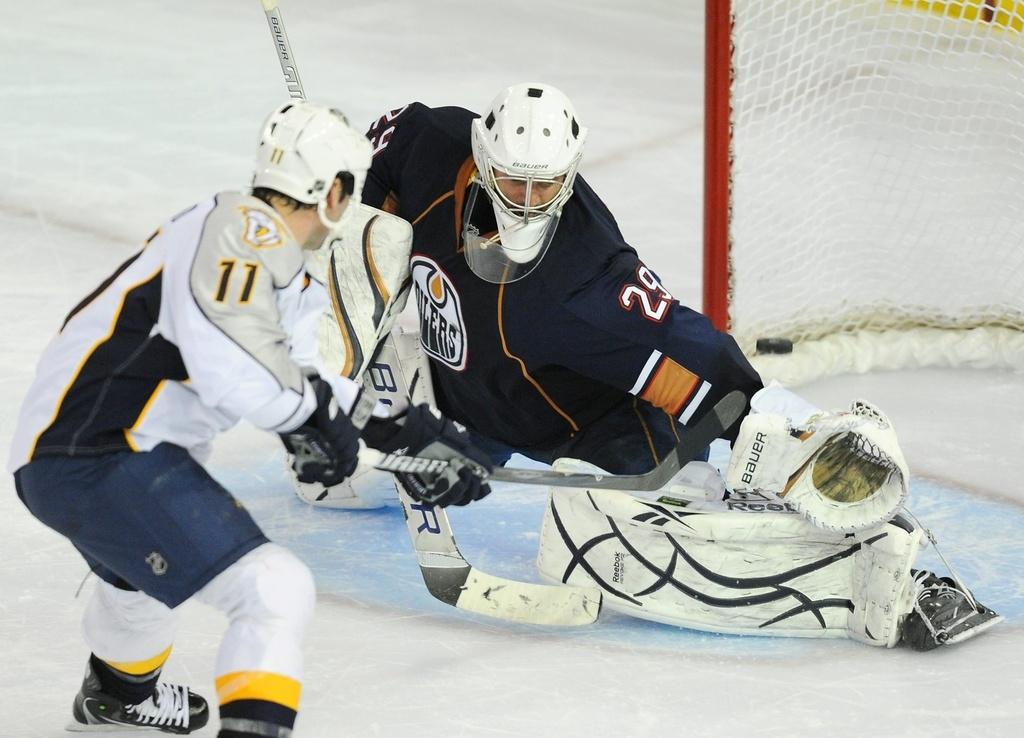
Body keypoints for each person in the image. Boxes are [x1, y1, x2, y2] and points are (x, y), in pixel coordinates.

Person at [298, 83, 1000, 651]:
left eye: (546, 186)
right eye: (513, 179)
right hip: (462, 403)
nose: (527, 199)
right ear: (483, 155)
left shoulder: (589, 283)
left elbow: (693, 354)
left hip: (596, 428)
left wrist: (772, 427)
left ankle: (887, 574)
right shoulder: (434, 141)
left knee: (684, 505)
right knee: (322, 483)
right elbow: (380, 153)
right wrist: (340, 196)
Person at [8, 100, 492, 737]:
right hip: (99, 450)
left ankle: (120, 694)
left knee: (139, 572)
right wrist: (309, 418)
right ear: (333, 191)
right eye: (349, 195)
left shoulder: (275, 265)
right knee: (275, 590)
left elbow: (298, 372)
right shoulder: (241, 229)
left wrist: (405, 433)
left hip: (90, 453)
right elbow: (231, 362)